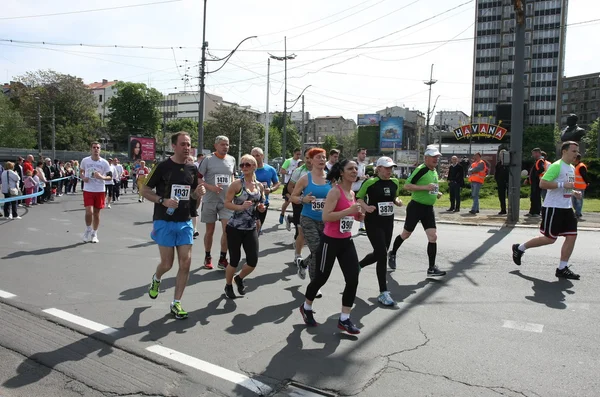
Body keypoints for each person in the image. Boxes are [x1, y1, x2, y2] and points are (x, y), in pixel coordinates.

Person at [143, 132, 206, 320]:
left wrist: (198, 193)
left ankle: (176, 303)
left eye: (189, 144)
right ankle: (157, 279)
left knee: (185, 263)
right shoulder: (162, 167)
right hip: (164, 220)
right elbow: (144, 190)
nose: (187, 147)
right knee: (167, 264)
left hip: (185, 221)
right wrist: (163, 200)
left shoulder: (192, 168)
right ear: (174, 146)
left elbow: (193, 197)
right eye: (183, 144)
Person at [299, 159, 364, 334]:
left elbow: (349, 217)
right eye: (350, 168)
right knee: (321, 278)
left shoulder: (351, 192)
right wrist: (348, 212)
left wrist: (359, 216)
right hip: (330, 241)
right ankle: (306, 306)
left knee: (353, 278)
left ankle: (344, 319)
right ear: (341, 172)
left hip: (346, 241)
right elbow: (327, 217)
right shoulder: (335, 192)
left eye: (356, 168)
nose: (354, 171)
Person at [512, 141, 582, 280]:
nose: (576, 154)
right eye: (573, 151)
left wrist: (573, 192)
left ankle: (562, 268)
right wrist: (563, 184)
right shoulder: (556, 166)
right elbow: (542, 183)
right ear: (564, 151)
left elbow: (565, 187)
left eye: (577, 151)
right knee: (550, 239)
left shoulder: (571, 167)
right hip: (553, 207)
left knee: (572, 235)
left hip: (567, 207)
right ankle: (519, 248)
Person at [388, 145, 447, 277]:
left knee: (433, 236)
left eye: (437, 157)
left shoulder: (434, 171)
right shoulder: (421, 169)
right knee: (406, 234)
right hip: (416, 207)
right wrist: (426, 187)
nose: (436, 159)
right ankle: (392, 253)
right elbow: (407, 186)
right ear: (426, 158)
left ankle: (431, 268)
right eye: (433, 157)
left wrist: (436, 193)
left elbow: (431, 187)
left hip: (428, 208)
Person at [357, 156, 403, 306]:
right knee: (382, 254)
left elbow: (394, 197)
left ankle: (358, 266)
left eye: (391, 168)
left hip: (388, 222)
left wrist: (397, 201)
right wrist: (366, 207)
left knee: (379, 253)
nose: (390, 171)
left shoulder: (394, 182)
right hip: (373, 222)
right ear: (379, 168)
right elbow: (359, 198)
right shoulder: (370, 182)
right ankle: (383, 292)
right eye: (387, 168)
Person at [223, 154, 266, 299]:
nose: (244, 167)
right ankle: (228, 285)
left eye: (247, 165)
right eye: (242, 165)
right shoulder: (236, 184)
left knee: (253, 261)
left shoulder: (259, 186)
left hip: (250, 227)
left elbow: (261, 204)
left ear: (254, 166)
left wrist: (261, 208)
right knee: (234, 260)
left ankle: (239, 278)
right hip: (235, 227)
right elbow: (227, 203)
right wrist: (240, 207)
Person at [291, 148, 331, 293]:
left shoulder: (330, 178)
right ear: (312, 160)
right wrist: (304, 199)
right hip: (308, 219)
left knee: (320, 252)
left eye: (324, 157)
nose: (322, 160)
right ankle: (314, 285)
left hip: (326, 220)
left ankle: (303, 264)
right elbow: (293, 196)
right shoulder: (305, 178)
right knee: (317, 250)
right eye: (318, 157)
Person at [198, 135, 236, 270]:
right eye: (222, 144)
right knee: (210, 231)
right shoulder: (207, 160)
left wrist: (233, 189)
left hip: (226, 201)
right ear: (216, 146)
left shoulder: (231, 159)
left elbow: (232, 176)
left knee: (227, 230)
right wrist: (211, 187)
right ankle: (207, 256)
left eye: (227, 144)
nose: (225, 147)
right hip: (210, 200)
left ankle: (222, 258)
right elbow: (198, 178)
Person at [80, 142, 112, 243]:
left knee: (97, 214)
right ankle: (88, 229)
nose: (96, 149)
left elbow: (110, 176)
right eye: (94, 147)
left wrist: (101, 177)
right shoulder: (85, 160)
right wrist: (83, 177)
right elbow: (81, 171)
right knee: (89, 212)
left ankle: (94, 233)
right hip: (88, 189)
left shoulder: (104, 162)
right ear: (91, 149)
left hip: (99, 190)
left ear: (100, 150)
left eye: (98, 148)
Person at [287, 149, 311, 267]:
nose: (309, 160)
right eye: (307, 157)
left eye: (312, 157)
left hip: (317, 207)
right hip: (300, 204)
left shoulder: (324, 172)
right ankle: (298, 255)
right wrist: (299, 197)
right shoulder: (299, 171)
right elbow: (290, 187)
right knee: (301, 230)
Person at [251, 147, 280, 235]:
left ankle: (254, 244)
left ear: (262, 156)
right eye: (253, 156)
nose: (255, 158)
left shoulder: (270, 169)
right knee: (254, 226)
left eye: (257, 155)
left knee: (258, 228)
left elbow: (277, 183)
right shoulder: (248, 168)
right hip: (250, 202)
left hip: (263, 202)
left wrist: (270, 190)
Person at [279, 148, 301, 224]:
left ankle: (295, 219)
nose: (298, 156)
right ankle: (282, 214)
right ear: (294, 153)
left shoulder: (300, 162)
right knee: (287, 202)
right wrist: (290, 172)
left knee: (297, 203)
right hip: (288, 184)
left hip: (297, 184)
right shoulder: (288, 161)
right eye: (297, 154)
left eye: (300, 154)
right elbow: (281, 170)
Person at [352, 148, 369, 232]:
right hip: (352, 190)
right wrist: (360, 178)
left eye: (365, 154)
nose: (364, 155)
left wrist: (366, 177)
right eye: (362, 153)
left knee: (363, 207)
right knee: (350, 207)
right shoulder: (354, 164)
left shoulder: (364, 165)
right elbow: (350, 177)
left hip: (361, 189)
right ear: (358, 154)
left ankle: (362, 226)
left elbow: (362, 176)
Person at [524, 148, 544, 217]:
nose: (532, 155)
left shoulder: (540, 161)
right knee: (533, 197)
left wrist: (535, 176)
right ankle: (532, 211)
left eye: (533, 153)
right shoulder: (537, 161)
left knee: (536, 197)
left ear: (537, 153)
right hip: (534, 183)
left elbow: (541, 169)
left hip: (537, 183)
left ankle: (537, 212)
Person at [572, 154, 590, 219]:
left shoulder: (581, 166)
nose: (573, 159)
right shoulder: (576, 166)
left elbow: (584, 175)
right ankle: (578, 212)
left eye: (574, 158)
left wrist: (587, 182)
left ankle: (578, 213)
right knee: (574, 201)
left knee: (578, 201)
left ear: (577, 159)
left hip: (580, 186)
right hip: (575, 186)